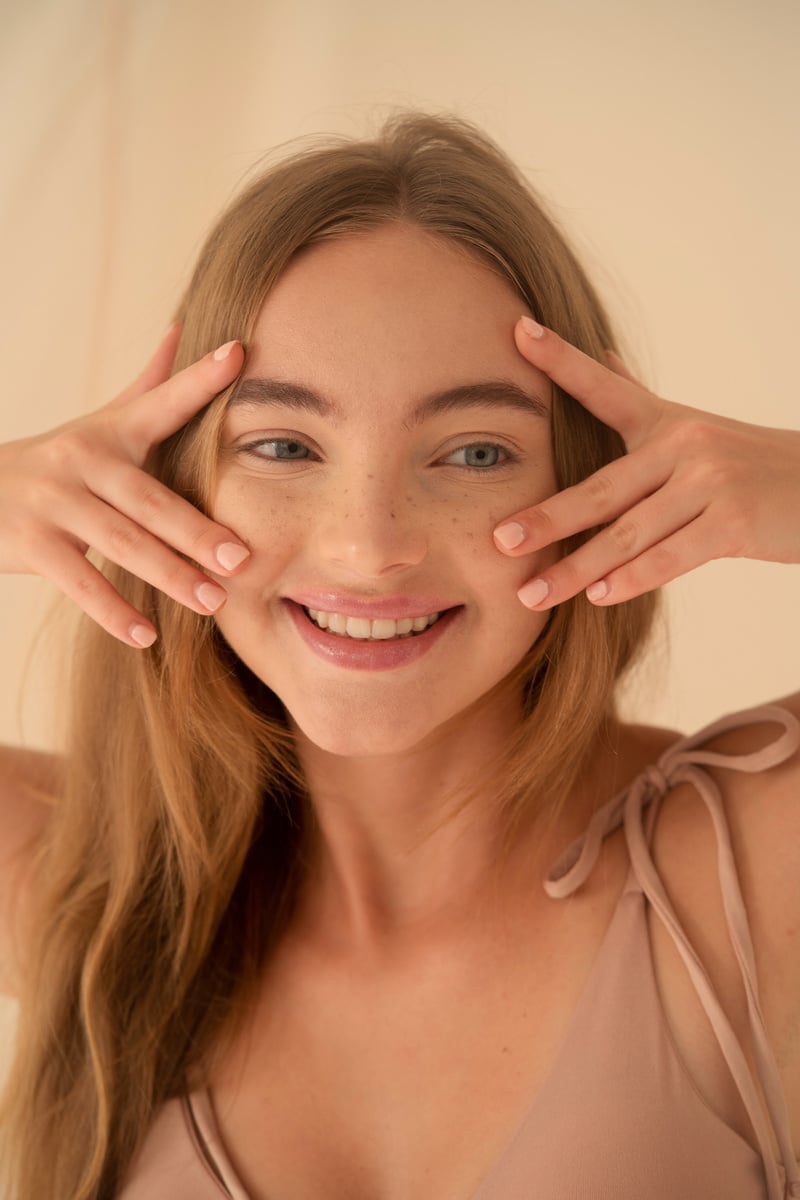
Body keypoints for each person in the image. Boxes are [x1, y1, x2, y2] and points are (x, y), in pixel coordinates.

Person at [0, 111, 798, 1200]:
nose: (368, 546)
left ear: (587, 487)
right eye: (282, 446)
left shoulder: (741, 875)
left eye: (473, 452)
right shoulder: (92, 888)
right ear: (173, 483)